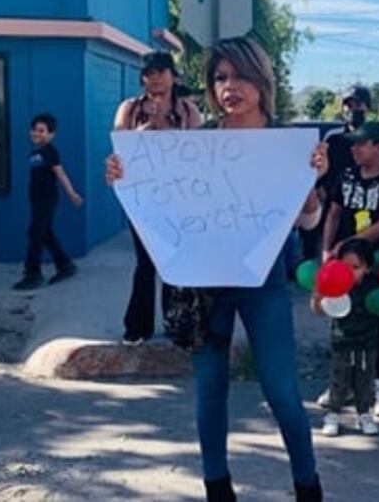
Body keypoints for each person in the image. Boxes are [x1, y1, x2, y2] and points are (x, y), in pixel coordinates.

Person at [108, 38, 325, 501]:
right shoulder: (198, 141)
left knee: (282, 391)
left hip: (261, 281)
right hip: (203, 286)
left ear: (262, 80)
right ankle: (217, 488)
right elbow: (162, 205)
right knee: (209, 390)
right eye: (220, 78)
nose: (230, 87)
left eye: (240, 76)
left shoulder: (288, 142)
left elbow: (307, 220)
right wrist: (123, 178)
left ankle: (308, 486)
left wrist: (309, 183)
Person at [112, 51, 203, 344]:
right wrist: (147, 127)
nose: (155, 79)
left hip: (179, 195)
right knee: (146, 261)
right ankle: (137, 327)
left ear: (173, 76)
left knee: (174, 259)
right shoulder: (130, 108)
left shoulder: (188, 110)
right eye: (149, 73)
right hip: (142, 195)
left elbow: (199, 151)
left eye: (161, 72)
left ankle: (176, 324)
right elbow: (120, 147)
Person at [321, 119, 379, 417]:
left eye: (361, 143)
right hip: (341, 263)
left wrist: (348, 246)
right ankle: (341, 385)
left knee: (374, 324)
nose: (354, 148)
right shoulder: (346, 175)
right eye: (353, 143)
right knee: (341, 322)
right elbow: (333, 212)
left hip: (374, 264)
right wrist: (327, 248)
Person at [315, 238, 379, 437]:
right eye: (345, 266)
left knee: (365, 380)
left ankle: (364, 414)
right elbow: (318, 310)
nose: (349, 272)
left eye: (356, 267)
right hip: (342, 342)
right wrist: (317, 294)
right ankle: (333, 414)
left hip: (367, 342)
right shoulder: (335, 286)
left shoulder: (373, 286)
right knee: (339, 380)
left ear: (367, 268)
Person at [13, 114, 83, 290]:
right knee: (45, 234)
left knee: (35, 234)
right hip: (37, 200)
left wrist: (71, 193)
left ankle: (33, 274)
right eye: (35, 130)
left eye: (42, 131)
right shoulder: (36, 152)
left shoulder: (49, 152)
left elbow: (60, 173)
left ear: (52, 134)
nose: (37, 133)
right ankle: (65, 265)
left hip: (47, 200)